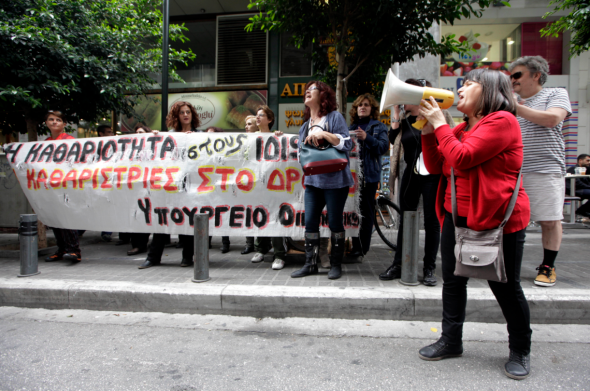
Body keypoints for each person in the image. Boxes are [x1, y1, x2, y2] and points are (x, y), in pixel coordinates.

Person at [417, 69, 532, 380]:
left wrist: (440, 124)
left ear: (491, 90)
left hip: (497, 219)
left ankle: (520, 348)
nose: (461, 88)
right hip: (457, 218)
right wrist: (429, 130)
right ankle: (451, 341)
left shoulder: (501, 121)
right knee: (453, 283)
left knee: (505, 287)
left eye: (469, 83)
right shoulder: (464, 127)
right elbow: (437, 165)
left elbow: (464, 157)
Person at [509, 56, 572, 287]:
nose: (513, 80)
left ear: (536, 74)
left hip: (546, 167)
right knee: (512, 221)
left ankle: (548, 266)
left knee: (549, 220)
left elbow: (553, 119)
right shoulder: (512, 101)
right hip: (514, 171)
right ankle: (507, 265)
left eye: (517, 75)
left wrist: (514, 107)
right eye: (511, 76)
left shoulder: (555, 94)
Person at [379, 79, 441, 286]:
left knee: (432, 221)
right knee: (406, 218)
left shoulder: (439, 115)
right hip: (411, 173)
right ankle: (399, 264)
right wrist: (396, 110)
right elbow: (392, 137)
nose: (402, 100)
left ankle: (429, 267)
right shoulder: (405, 121)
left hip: (432, 173)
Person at [290, 81, 354, 280]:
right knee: (310, 223)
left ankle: (336, 264)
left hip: (336, 180)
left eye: (313, 89)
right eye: (306, 90)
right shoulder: (304, 126)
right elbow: (303, 156)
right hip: (313, 182)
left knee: (335, 222)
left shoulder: (334, 117)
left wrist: (323, 134)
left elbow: (348, 143)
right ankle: (310, 264)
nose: (307, 92)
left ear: (323, 95)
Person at [139, 102, 202, 269]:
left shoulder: (200, 135)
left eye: (188, 111)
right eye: (182, 112)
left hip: (191, 185)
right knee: (163, 220)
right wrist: (155, 138)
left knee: (188, 221)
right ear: (176, 115)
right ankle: (153, 257)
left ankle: (188, 257)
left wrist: (193, 139)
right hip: (170, 184)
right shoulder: (170, 135)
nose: (185, 115)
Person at [347, 94, 389, 260]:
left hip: (369, 177)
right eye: (359, 105)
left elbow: (383, 147)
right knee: (353, 213)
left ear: (372, 109)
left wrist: (367, 138)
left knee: (365, 212)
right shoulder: (351, 127)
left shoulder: (378, 126)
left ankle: (362, 249)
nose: (362, 107)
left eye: (366, 105)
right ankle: (355, 246)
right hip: (352, 178)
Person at [42, 110, 82, 264]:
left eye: (58, 120)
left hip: (66, 186)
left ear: (64, 124)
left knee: (67, 219)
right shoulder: (45, 143)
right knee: (55, 220)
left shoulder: (69, 140)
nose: (54, 122)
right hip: (52, 187)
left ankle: (74, 251)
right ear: (46, 123)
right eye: (51, 119)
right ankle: (62, 249)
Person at [205, 126, 231, 253]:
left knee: (222, 214)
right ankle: (206, 241)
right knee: (207, 213)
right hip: (208, 187)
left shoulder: (225, 150)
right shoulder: (203, 150)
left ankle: (225, 242)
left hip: (222, 186)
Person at [241, 115, 259, 254]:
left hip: (259, 181)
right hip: (246, 181)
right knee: (248, 212)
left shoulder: (263, 138)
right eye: (245, 125)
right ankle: (249, 243)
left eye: (249, 124)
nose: (246, 127)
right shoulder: (243, 141)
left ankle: (260, 244)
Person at [96, 124, 115, 242]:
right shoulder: (94, 146)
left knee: (109, 205)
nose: (111, 134)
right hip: (97, 181)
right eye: (108, 132)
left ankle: (107, 231)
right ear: (101, 134)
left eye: (111, 132)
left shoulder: (115, 146)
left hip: (109, 181)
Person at [566, 153, 590, 220]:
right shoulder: (573, 169)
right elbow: (578, 183)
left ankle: (583, 211)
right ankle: (581, 211)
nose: (589, 162)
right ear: (580, 160)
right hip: (574, 189)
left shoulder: (585, 169)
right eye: (587, 160)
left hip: (581, 189)